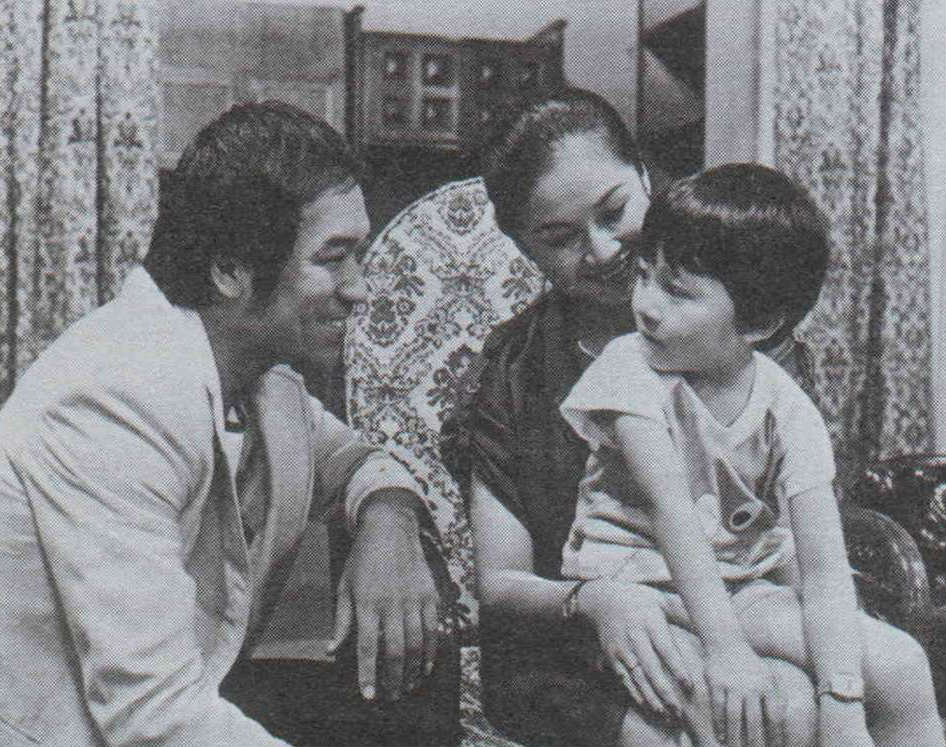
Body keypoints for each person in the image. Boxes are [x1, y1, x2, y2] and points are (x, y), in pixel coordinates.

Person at [0, 101, 459, 747]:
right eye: (334, 258)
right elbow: (153, 718)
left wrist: (390, 521)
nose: (359, 288)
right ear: (229, 270)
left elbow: (352, 460)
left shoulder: (258, 377)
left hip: (177, 705)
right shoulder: (116, 395)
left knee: (412, 692)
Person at [442, 89, 817, 747]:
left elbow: (790, 529)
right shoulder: (513, 370)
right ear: (520, 244)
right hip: (576, 640)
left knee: (793, 708)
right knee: (716, 721)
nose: (601, 249)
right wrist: (595, 599)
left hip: (743, 610)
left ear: (645, 177)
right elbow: (500, 583)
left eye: (614, 212)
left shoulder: (740, 338)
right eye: (558, 238)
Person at [558, 163, 944, 747]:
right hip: (636, 588)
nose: (646, 305)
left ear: (759, 322)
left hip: (741, 585)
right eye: (644, 276)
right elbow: (673, 513)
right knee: (759, 710)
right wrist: (727, 650)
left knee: (902, 665)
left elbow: (823, 567)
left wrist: (842, 700)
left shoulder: (787, 408)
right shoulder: (629, 368)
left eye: (677, 292)